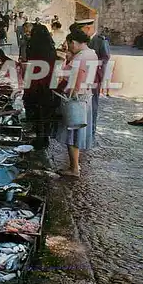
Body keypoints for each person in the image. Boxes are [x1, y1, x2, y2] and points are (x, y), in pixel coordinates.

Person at [55, 29, 98, 177]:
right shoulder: (91, 53)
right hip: (86, 96)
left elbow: (75, 83)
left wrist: (67, 93)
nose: (69, 47)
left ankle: (74, 168)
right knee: (77, 132)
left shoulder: (80, 57)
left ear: (73, 42)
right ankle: (75, 165)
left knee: (72, 134)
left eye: (69, 44)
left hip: (76, 98)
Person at [71, 19, 110, 137]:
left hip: (94, 76)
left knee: (92, 103)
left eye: (80, 29)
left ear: (88, 28)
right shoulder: (80, 41)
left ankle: (91, 131)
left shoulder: (100, 40)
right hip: (82, 75)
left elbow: (105, 58)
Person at [23, 23, 57, 150]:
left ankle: (39, 139)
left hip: (36, 84)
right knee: (45, 114)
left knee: (37, 113)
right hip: (48, 85)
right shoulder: (51, 48)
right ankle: (44, 138)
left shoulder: (34, 47)